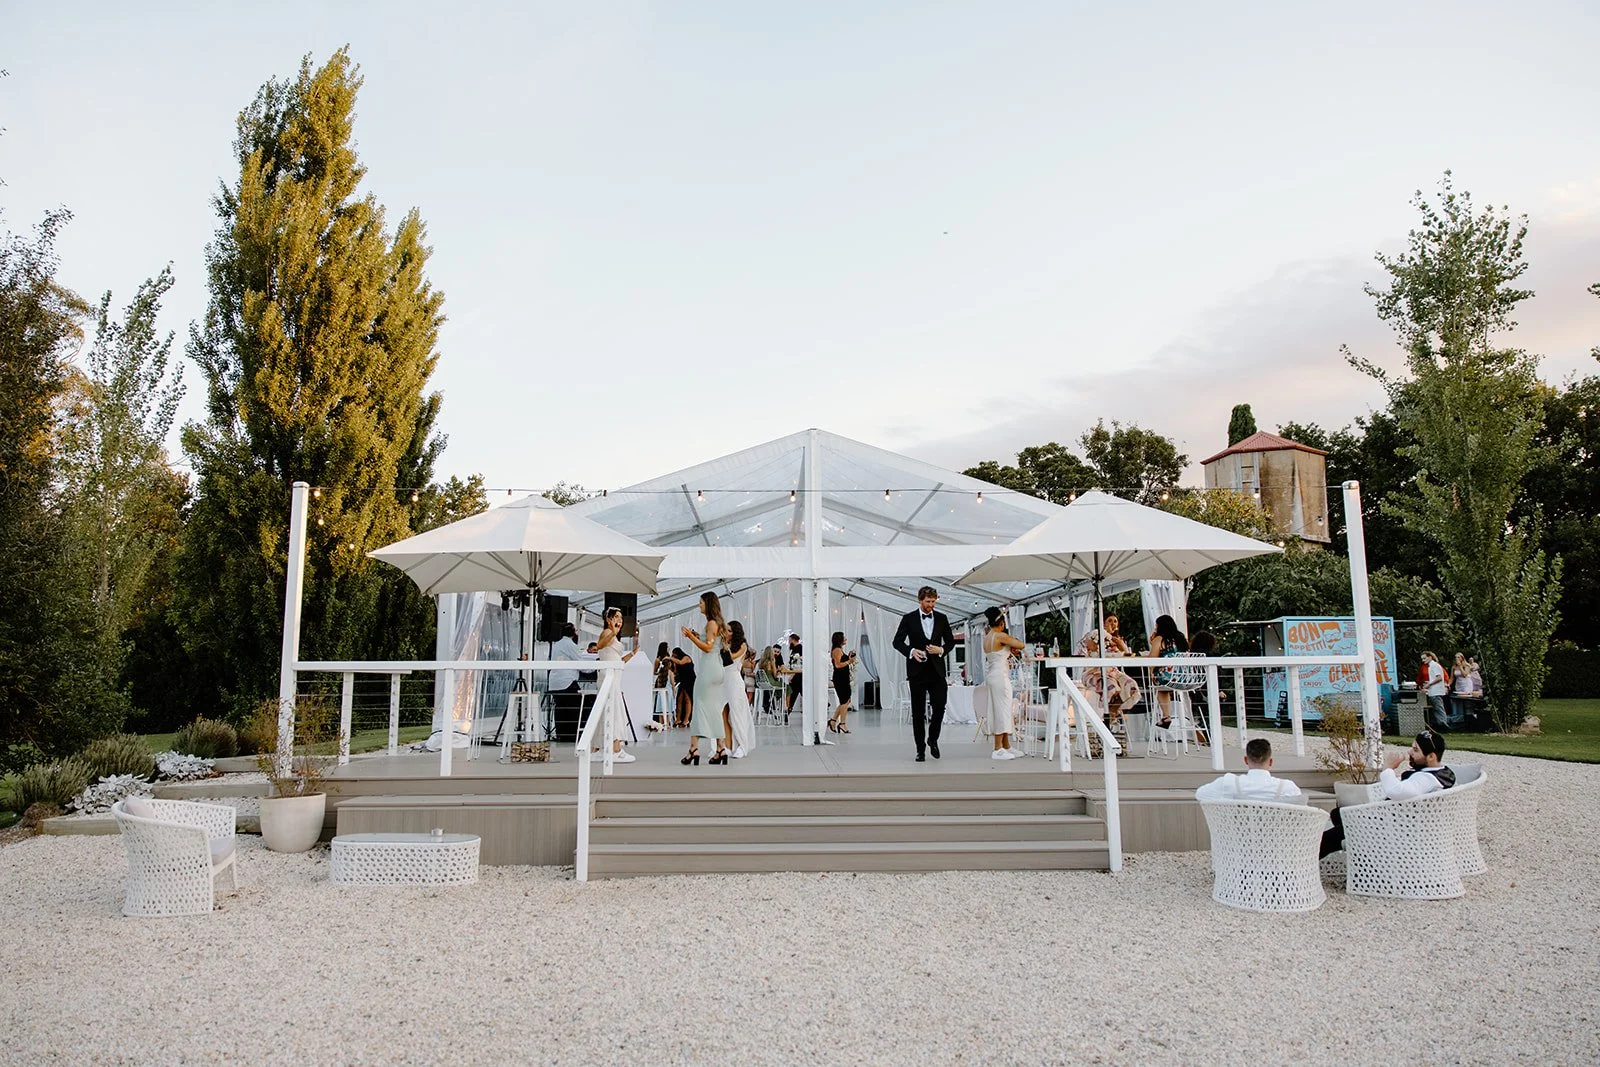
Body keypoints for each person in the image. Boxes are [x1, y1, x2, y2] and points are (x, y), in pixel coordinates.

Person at [1320, 730, 1455, 857]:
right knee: (1339, 814)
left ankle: (1302, 862)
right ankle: (1362, 854)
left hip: (1393, 831)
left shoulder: (1426, 779)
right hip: (1401, 824)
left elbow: (1396, 792)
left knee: (1331, 837)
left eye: (1415, 750)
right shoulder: (1440, 773)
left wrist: (1388, 768)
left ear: (1431, 757)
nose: (1410, 752)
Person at [893, 586, 956, 762]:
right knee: (918, 712)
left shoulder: (942, 618)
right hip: (917, 672)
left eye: (933, 602)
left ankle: (932, 739)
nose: (931, 605)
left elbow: (950, 642)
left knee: (940, 707)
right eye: (928, 602)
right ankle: (920, 749)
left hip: (937, 671)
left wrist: (941, 649)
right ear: (920, 600)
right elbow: (897, 642)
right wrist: (911, 650)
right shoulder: (908, 619)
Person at [680, 592, 731, 765]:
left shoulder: (711, 623)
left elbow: (708, 647)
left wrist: (690, 636)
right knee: (713, 709)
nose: (699, 605)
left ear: (707, 604)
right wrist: (696, 633)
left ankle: (694, 749)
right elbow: (712, 642)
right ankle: (720, 748)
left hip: (709, 669)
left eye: (701, 603)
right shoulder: (717, 623)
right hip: (717, 669)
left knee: (700, 707)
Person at [591, 607, 639, 762]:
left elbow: (618, 660)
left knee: (610, 709)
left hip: (615, 676)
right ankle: (614, 748)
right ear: (609, 619)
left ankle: (603, 747)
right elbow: (600, 645)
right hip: (608, 677)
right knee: (612, 709)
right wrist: (612, 630)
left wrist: (632, 654)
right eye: (616, 617)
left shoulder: (614, 637)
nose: (619, 620)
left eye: (621, 617)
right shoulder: (607, 633)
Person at [1194, 738, 1303, 801]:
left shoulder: (1227, 783)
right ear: (1270, 762)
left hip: (1237, 839)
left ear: (1246, 760)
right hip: (1276, 839)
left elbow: (1200, 794)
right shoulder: (1287, 788)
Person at [982, 606, 1027, 760]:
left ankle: (1006, 745)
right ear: (1001, 622)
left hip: (993, 675)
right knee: (1002, 711)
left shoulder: (987, 637)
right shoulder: (1000, 636)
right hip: (1000, 676)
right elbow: (1021, 644)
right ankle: (997, 748)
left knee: (1002, 709)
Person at [546, 622, 593, 742]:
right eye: (576, 631)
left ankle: (561, 734)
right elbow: (580, 663)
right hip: (566, 682)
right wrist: (594, 667)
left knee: (560, 708)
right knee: (576, 707)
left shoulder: (557, 644)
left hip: (554, 683)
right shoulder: (570, 645)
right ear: (572, 632)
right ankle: (572, 735)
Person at [1147, 614, 1190, 730]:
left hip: (1168, 677)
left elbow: (1152, 659)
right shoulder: (1181, 638)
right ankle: (1168, 717)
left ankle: (1166, 716)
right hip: (1185, 677)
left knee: (1159, 685)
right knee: (1163, 686)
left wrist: (1150, 673)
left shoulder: (1160, 639)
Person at [722, 620, 756, 758]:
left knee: (737, 714)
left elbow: (730, 658)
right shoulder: (724, 644)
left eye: (730, 631)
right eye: (726, 630)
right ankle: (727, 746)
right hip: (722, 681)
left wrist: (722, 646)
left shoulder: (742, 646)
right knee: (722, 714)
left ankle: (742, 745)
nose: (727, 633)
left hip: (734, 681)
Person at [827, 632, 859, 735]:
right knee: (845, 701)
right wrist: (849, 661)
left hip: (844, 678)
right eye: (843, 637)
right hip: (840, 679)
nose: (845, 639)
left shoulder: (839, 650)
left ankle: (833, 720)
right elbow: (837, 665)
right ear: (839, 639)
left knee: (846, 701)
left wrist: (849, 659)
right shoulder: (836, 650)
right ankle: (842, 723)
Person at [649, 641, 673, 730]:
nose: (669, 648)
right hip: (661, 681)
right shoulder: (658, 660)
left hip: (667, 681)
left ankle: (667, 721)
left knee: (667, 701)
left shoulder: (669, 658)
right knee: (660, 701)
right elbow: (655, 671)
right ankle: (661, 722)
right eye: (667, 646)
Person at [1421, 651, 1449, 729]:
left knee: (1439, 708)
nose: (1423, 660)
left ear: (1430, 657)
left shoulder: (1434, 665)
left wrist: (1429, 684)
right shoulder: (1430, 666)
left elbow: (1439, 678)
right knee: (1437, 708)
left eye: (1424, 658)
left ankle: (1443, 725)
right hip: (1432, 691)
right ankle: (1440, 724)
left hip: (1436, 691)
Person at [670, 646, 695, 728]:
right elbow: (675, 671)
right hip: (683, 680)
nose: (674, 657)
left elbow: (681, 662)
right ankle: (678, 719)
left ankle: (686, 719)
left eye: (674, 655)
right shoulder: (676, 661)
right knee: (679, 699)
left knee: (688, 699)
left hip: (690, 680)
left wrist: (670, 658)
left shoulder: (686, 658)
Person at [781, 633, 804, 725]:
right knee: (797, 693)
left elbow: (796, 664)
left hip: (797, 675)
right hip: (798, 675)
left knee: (792, 693)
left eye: (790, 640)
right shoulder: (797, 649)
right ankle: (787, 711)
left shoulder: (797, 649)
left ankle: (787, 712)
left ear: (794, 640)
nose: (789, 642)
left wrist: (792, 675)